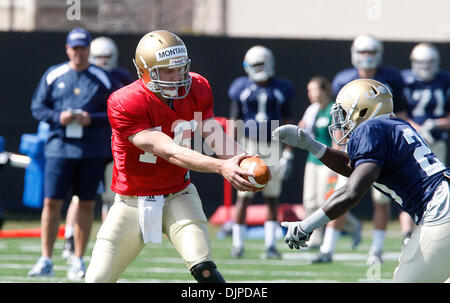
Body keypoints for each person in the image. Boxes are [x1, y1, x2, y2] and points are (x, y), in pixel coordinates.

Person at [84, 30, 259, 283]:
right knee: (96, 280)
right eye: (167, 71)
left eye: (181, 69)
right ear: (145, 71)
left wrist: (245, 162)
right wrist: (222, 167)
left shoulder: (197, 87)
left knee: (204, 268)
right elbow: (170, 151)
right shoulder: (125, 102)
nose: (177, 78)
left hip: (178, 194)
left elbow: (214, 135)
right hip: (132, 202)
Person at [274, 78, 450, 283]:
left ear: (363, 110)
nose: (342, 121)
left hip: (440, 210)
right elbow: (355, 167)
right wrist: (312, 145)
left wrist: (307, 225)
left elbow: (352, 191)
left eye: (345, 112)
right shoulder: (396, 125)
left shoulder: (370, 128)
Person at [28, 27, 113, 281]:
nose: (79, 52)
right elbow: (37, 107)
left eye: (83, 47)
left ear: (89, 49)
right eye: (74, 48)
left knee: (86, 203)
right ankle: (46, 258)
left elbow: (114, 111)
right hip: (59, 148)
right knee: (51, 202)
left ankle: (78, 259)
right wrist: (59, 117)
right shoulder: (54, 74)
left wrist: (91, 119)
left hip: (91, 150)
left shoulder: (101, 77)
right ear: (67, 49)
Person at [318, 34, 409, 265]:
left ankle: (376, 250)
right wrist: (336, 148)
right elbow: (337, 118)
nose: (366, 58)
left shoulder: (392, 78)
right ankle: (328, 248)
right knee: (341, 195)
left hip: (383, 147)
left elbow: (401, 115)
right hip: (354, 146)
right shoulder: (343, 79)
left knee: (381, 200)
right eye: (362, 52)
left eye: (370, 52)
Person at [61, 36, 134, 260]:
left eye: (107, 57)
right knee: (80, 196)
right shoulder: (86, 76)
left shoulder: (122, 78)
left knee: (111, 197)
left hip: (116, 146)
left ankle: (107, 242)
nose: (103, 61)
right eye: (99, 57)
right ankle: (70, 238)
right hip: (92, 144)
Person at [227, 45, 295, 259]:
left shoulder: (281, 88)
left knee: (272, 197)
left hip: (272, 144)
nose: (258, 69)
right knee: (244, 197)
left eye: (261, 64)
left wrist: (287, 153)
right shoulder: (241, 87)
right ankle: (238, 245)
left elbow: (287, 122)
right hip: (249, 145)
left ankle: (270, 246)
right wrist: (232, 152)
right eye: (254, 65)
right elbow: (234, 121)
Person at [298, 76, 361, 250]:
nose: (310, 94)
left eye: (313, 90)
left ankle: (353, 226)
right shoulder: (313, 110)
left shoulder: (334, 108)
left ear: (324, 89)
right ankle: (314, 238)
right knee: (309, 201)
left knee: (323, 201)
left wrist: (336, 164)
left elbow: (338, 140)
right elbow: (304, 129)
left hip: (329, 160)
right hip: (312, 160)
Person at [401, 43, 450, 244]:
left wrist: (435, 123)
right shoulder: (404, 80)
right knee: (408, 187)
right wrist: (416, 128)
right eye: (421, 62)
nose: (426, 67)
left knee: (436, 187)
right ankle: (406, 235)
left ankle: (432, 230)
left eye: (429, 62)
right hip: (411, 142)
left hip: (437, 142)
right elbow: (399, 114)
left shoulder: (445, 80)